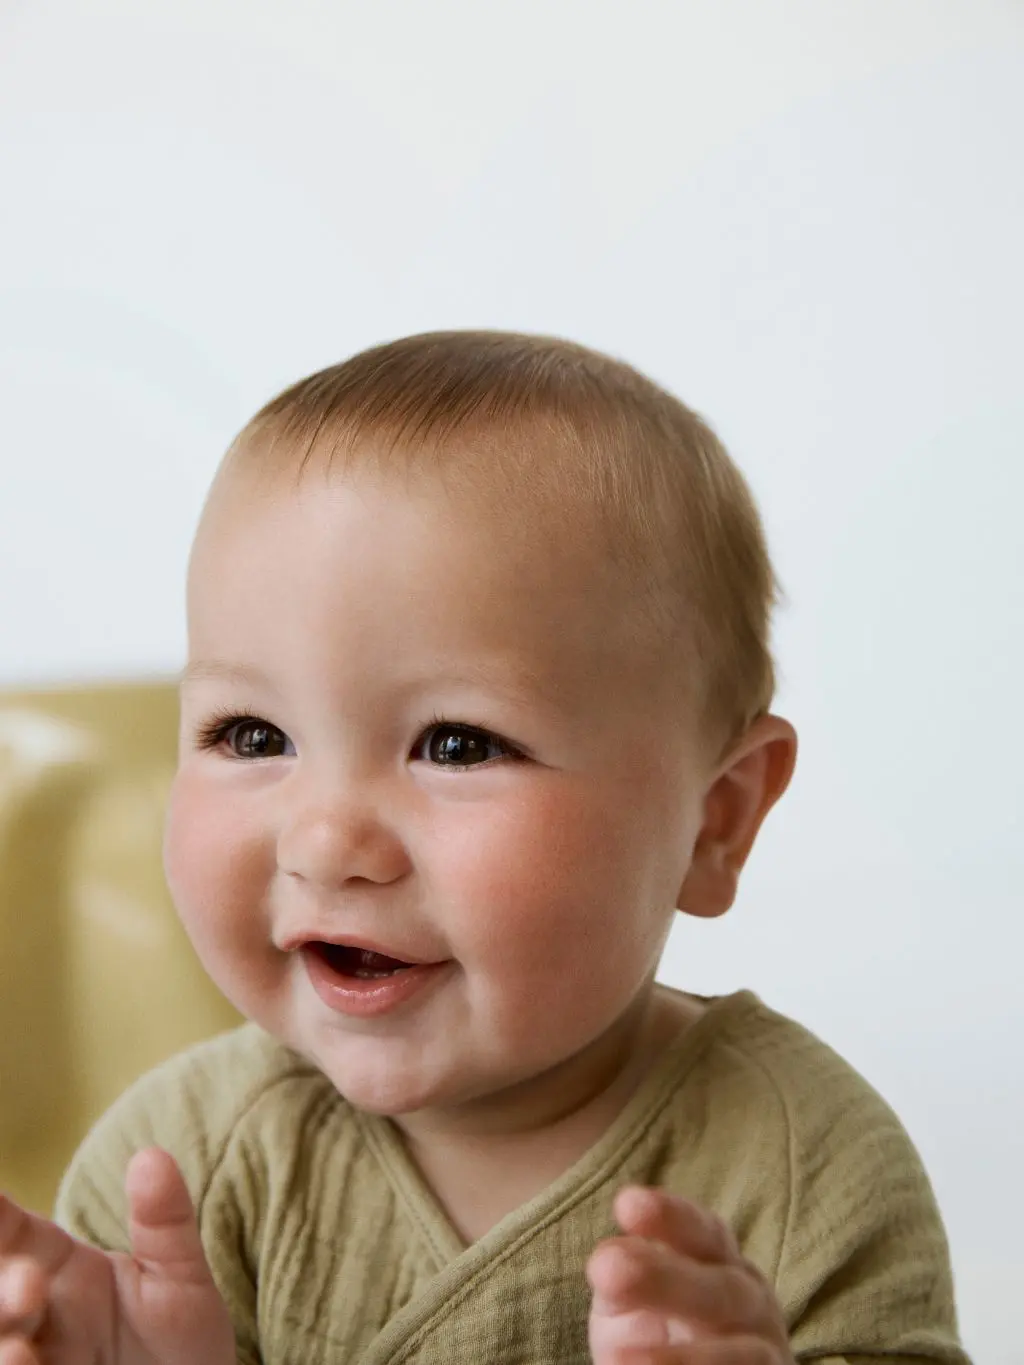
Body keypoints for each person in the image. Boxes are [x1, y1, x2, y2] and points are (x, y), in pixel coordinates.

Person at [0, 332, 970, 1365]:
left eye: (457, 746)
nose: (327, 842)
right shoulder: (177, 1173)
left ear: (715, 818)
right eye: (253, 736)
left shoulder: (799, 1165)